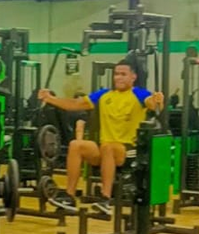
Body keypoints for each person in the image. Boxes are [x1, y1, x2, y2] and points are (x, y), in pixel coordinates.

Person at [37, 59, 163, 216]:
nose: (118, 77)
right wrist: (50, 99)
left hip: (127, 152)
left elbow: (152, 104)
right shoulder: (104, 95)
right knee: (76, 145)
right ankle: (69, 196)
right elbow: (75, 104)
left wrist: (157, 100)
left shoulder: (139, 94)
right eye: (116, 74)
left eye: (123, 74)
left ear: (133, 77)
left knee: (107, 147)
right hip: (105, 150)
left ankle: (105, 199)